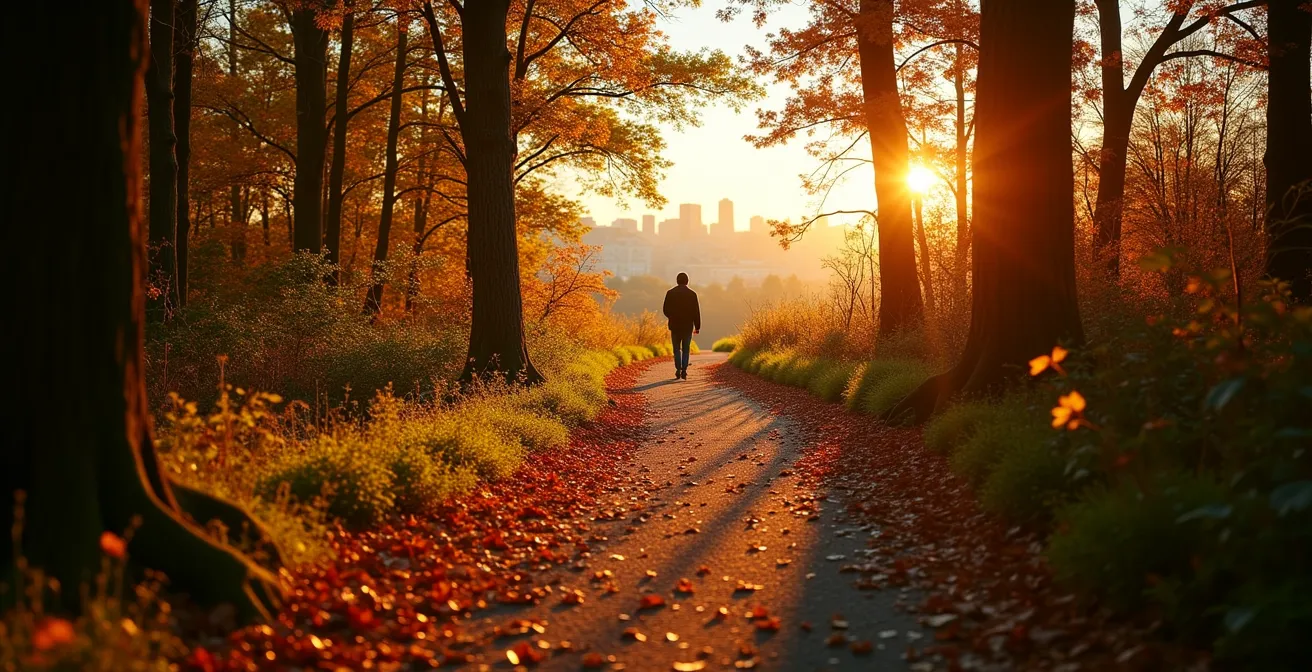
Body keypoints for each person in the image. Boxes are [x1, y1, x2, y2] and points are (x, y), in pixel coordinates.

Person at [662, 272, 701, 380]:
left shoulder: (670, 293)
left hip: (675, 325)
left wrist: (671, 316)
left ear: (677, 281)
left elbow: (665, 309)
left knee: (676, 349)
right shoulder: (692, 294)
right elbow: (696, 312)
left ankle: (678, 369)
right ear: (687, 281)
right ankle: (684, 370)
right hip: (688, 326)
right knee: (686, 349)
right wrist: (697, 326)